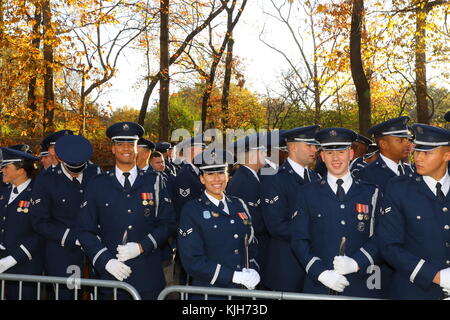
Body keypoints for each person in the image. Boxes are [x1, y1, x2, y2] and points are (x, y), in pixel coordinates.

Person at [77, 122, 176, 300]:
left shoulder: (154, 181)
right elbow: (85, 230)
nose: (126, 148)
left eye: (131, 144)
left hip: (148, 276)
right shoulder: (97, 184)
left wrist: (141, 247)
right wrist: (105, 261)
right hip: (110, 276)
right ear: (113, 149)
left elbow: (167, 223)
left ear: (137, 149)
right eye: (120, 144)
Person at [291, 128, 382, 298]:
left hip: (361, 284)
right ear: (322, 156)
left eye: (341, 152)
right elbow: (299, 240)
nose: (335, 158)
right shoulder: (306, 193)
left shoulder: (371, 192)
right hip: (318, 285)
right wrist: (320, 273)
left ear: (351, 153)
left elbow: (381, 236)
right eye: (330, 152)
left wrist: (356, 263)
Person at [378, 124, 450, 299]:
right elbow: (389, 246)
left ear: (447, 155)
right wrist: (437, 277)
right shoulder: (399, 188)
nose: (418, 158)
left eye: (427, 153)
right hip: (414, 290)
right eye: (417, 151)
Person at [177, 148, 260, 299]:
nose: (217, 179)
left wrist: (253, 269)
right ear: (202, 178)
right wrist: (232, 276)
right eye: (210, 174)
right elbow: (192, 260)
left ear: (228, 176)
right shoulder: (192, 210)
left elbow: (251, 244)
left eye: (221, 173)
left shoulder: (238, 204)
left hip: (242, 291)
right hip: (210, 292)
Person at [30, 134, 99, 299]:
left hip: (97, 249)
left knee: (101, 292)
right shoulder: (46, 180)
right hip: (64, 251)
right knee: (68, 295)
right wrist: (73, 238)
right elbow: (39, 222)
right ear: (60, 158)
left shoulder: (95, 173)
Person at [260, 125, 321, 292]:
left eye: (315, 146)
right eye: (309, 145)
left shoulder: (316, 178)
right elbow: (276, 226)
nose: (314, 150)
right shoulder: (275, 179)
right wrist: (314, 233)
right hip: (287, 265)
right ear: (293, 147)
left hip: (314, 263)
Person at [0, 147, 44, 299]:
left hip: (24, 265)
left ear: (20, 170)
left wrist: (12, 259)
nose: (2, 171)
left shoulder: (37, 194)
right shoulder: (3, 192)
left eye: (6, 167)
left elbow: (40, 232)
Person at [226, 133, 269, 283]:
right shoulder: (244, 181)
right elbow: (251, 221)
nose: (267, 155)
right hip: (250, 247)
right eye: (262, 152)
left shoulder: (250, 177)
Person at [356, 116, 414, 191]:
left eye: (407, 139)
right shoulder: (367, 175)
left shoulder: (410, 171)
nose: (408, 144)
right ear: (383, 144)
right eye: (400, 140)